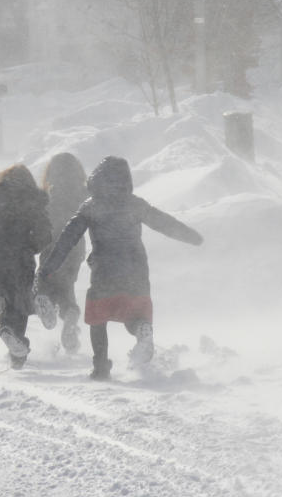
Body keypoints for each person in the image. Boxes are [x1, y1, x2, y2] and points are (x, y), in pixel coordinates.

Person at [36, 156, 203, 380]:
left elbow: (68, 238)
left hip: (105, 272)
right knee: (134, 314)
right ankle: (142, 330)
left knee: (98, 320)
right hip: (137, 271)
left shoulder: (90, 206)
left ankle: (101, 367)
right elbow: (163, 222)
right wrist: (193, 237)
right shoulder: (136, 204)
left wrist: (49, 267)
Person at [0, 164, 52, 368]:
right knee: (20, 301)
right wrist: (30, 248)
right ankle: (15, 344)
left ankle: (9, 334)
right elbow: (44, 234)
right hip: (23, 259)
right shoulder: (33, 201)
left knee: (6, 297)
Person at [36, 152, 89, 354]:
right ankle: (70, 315)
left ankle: (45, 299)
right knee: (66, 286)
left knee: (44, 282)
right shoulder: (84, 194)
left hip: (50, 247)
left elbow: (37, 221)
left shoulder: (48, 196)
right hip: (75, 249)